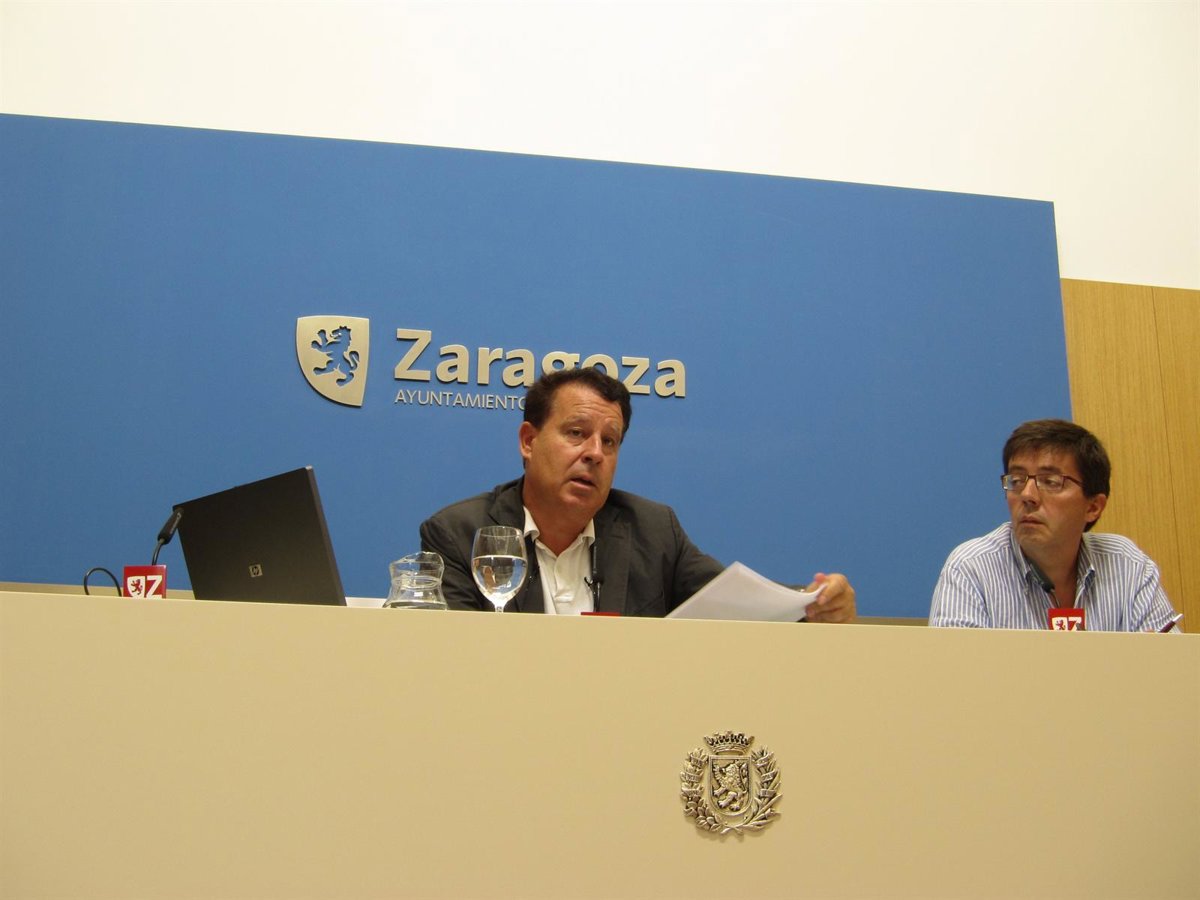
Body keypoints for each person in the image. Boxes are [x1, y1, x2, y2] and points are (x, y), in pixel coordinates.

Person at [420, 367, 856, 620]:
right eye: (576, 433)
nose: (594, 453)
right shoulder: (459, 534)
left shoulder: (653, 531)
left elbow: (738, 605)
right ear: (529, 441)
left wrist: (814, 603)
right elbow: (447, 659)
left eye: (609, 441)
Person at [929, 419, 1180, 631]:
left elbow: (1170, 667)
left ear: (1093, 507)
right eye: (1017, 480)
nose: (1027, 495)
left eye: (1050, 481)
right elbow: (955, 672)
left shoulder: (1128, 565)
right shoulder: (972, 568)